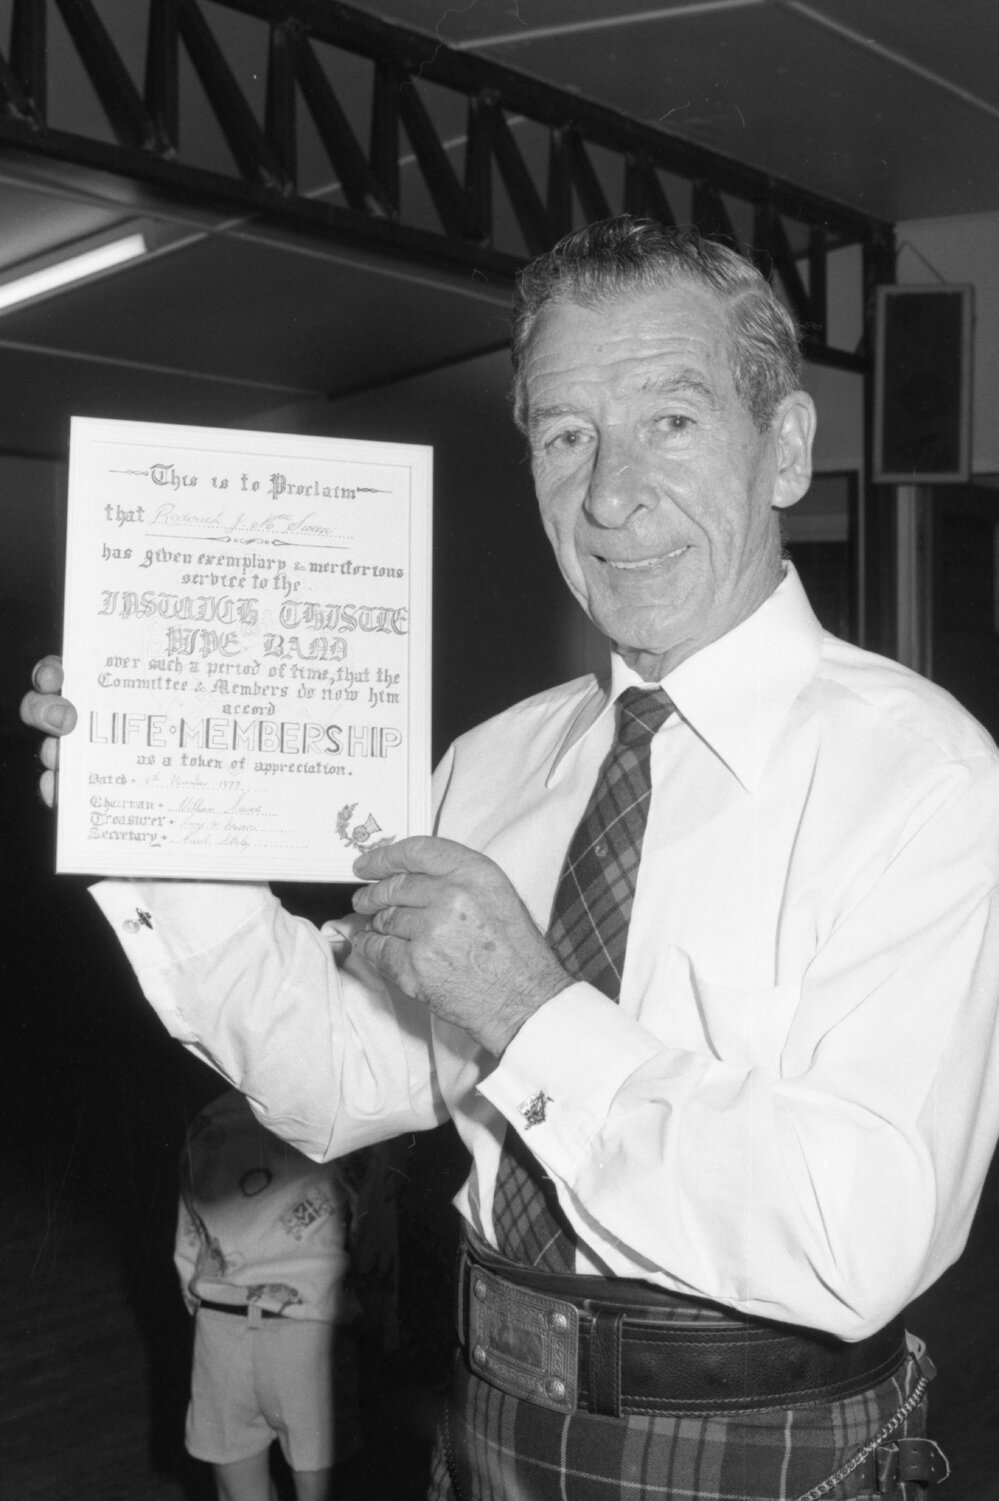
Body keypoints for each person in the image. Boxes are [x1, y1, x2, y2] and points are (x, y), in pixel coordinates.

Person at [23, 217, 999, 1499]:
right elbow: (345, 1075)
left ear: (787, 449)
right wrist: (157, 820)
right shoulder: (494, 762)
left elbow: (855, 1238)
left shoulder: (927, 777)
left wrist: (530, 1008)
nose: (609, 495)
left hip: (767, 1444)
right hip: (490, 1424)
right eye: (565, 434)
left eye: (672, 420)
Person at [175, 1087, 362, 1501]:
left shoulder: (209, 1120)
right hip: (308, 1338)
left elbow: (188, 1247)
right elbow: (374, 1236)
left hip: (221, 1332)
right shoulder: (341, 1115)